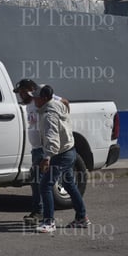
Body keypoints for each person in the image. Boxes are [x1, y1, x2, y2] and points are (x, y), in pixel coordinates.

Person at [30, 84, 90, 233]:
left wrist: (47, 158)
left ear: (44, 98)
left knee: (45, 185)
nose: (34, 100)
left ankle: (49, 222)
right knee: (69, 184)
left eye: (36, 97)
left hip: (60, 155)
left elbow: (52, 140)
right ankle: (82, 218)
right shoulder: (57, 105)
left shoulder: (48, 115)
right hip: (69, 151)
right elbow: (65, 103)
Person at [13, 79, 69, 225]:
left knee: (42, 182)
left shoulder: (41, 101)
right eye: (20, 93)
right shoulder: (29, 105)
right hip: (36, 149)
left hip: (45, 150)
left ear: (31, 89)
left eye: (23, 92)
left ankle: (42, 214)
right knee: (37, 181)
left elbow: (64, 101)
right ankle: (41, 212)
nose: (21, 95)